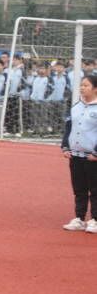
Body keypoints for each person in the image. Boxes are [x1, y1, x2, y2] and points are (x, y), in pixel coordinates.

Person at [61, 74, 97, 233]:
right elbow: (69, 127)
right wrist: (65, 146)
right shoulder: (76, 106)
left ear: (95, 89)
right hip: (76, 155)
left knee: (95, 189)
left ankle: (95, 219)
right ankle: (79, 218)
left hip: (92, 157)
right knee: (79, 189)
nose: (82, 88)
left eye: (86, 85)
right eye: (81, 85)